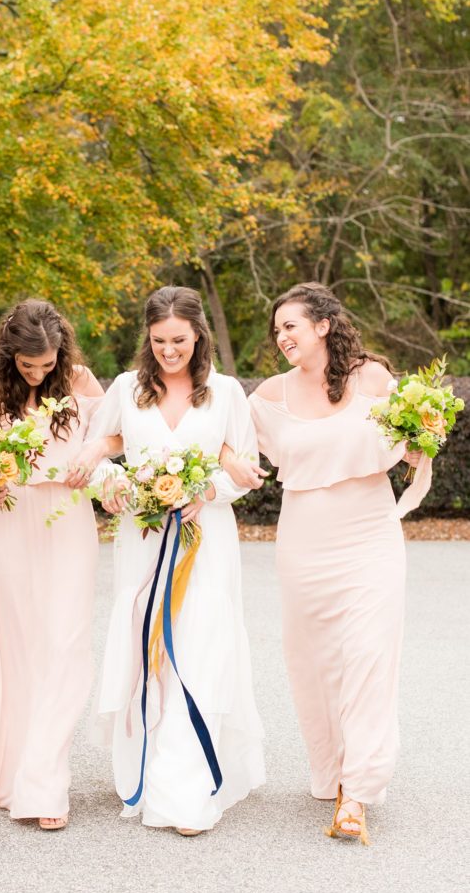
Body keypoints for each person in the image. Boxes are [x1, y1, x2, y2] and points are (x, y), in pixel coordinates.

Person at [223, 281, 417, 844]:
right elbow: (224, 443)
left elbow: (414, 436)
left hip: (370, 536)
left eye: (291, 325)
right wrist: (228, 464)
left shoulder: (374, 379)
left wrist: (423, 438)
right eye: (277, 328)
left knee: (368, 657)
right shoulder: (266, 399)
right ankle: (331, 772)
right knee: (313, 665)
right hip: (304, 542)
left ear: (324, 325)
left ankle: (357, 791)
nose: (282, 336)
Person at [86, 285, 265, 835]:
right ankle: (147, 767)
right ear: (147, 337)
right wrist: (111, 487)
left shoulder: (226, 392)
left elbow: (247, 469)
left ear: (198, 336)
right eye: (159, 340)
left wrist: (205, 492)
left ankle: (186, 788)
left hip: (204, 539)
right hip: (141, 539)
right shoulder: (124, 389)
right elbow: (100, 457)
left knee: (199, 646)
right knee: (149, 647)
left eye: (180, 340)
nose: (169, 350)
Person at [0, 299, 117, 830]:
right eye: (28, 365)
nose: (38, 372)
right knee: (17, 645)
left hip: (68, 520)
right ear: (10, 351)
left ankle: (45, 784)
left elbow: (108, 446)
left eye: (46, 364)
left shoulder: (81, 380)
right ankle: (10, 775)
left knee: (66, 644)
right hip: (11, 518)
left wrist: (96, 469)